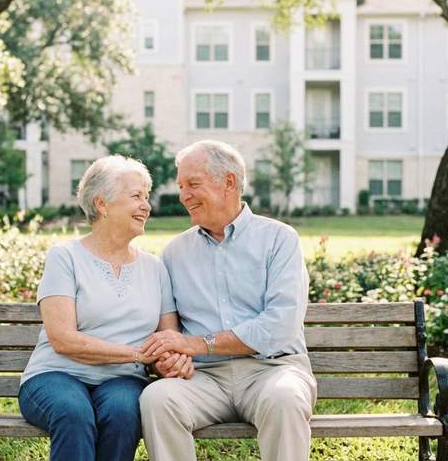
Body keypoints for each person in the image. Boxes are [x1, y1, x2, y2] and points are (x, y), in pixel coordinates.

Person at [139, 140, 318, 461]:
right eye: (181, 187)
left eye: (193, 184)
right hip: (204, 379)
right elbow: (168, 332)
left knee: (285, 399)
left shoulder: (279, 239)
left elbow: (280, 326)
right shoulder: (174, 253)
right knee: (158, 398)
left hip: (272, 370)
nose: (183, 195)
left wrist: (197, 344)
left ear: (229, 182)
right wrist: (168, 359)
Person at [18, 155, 191, 461]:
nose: (147, 206)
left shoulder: (155, 268)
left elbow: (167, 340)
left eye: (146, 197)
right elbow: (63, 340)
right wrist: (136, 355)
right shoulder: (65, 257)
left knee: (123, 413)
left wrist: (168, 361)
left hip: (123, 380)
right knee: (74, 412)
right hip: (57, 375)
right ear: (102, 204)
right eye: (136, 196)